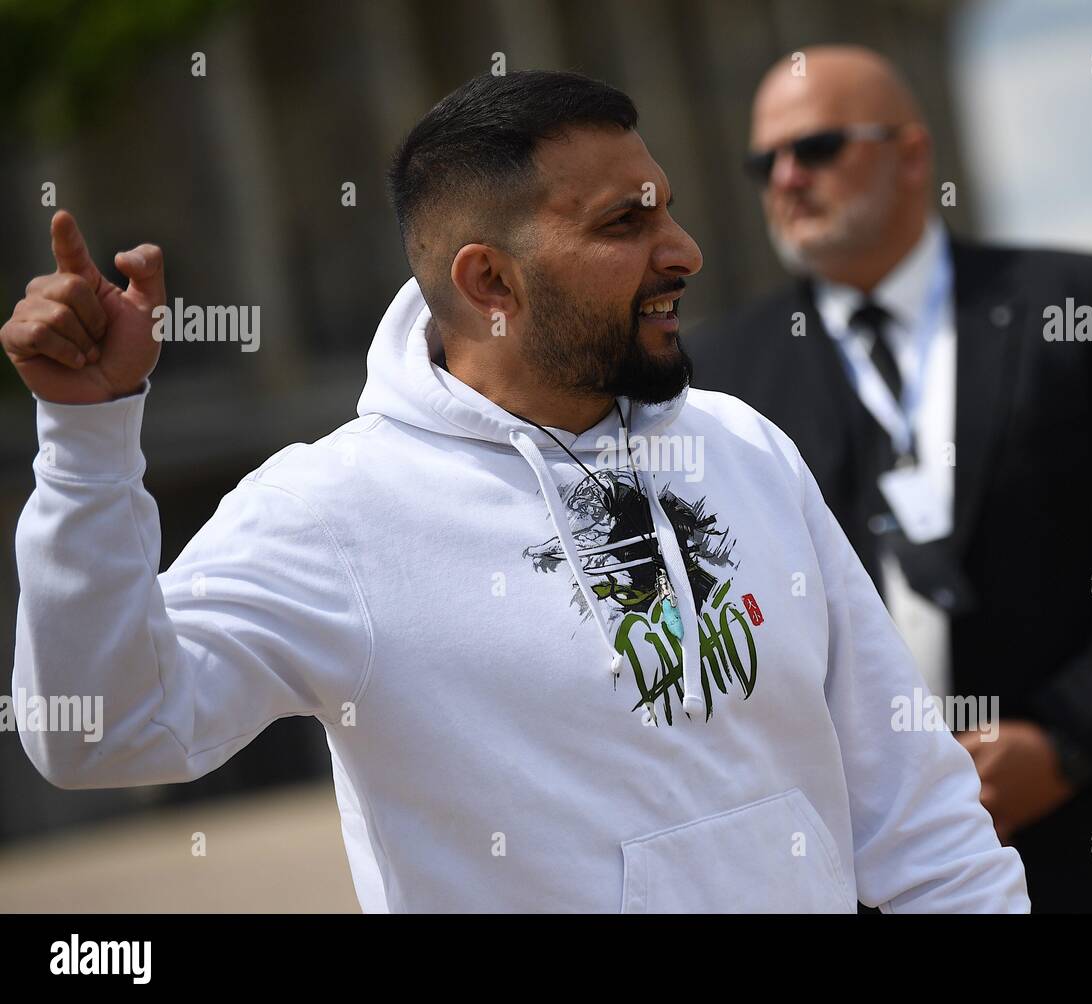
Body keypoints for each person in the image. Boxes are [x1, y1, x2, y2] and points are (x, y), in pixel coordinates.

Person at [5, 70, 1028, 913]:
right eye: (626, 223)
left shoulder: (744, 445)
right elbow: (100, 732)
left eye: (665, 206)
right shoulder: (333, 510)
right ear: (491, 282)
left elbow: (916, 807)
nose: (684, 251)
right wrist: (89, 445)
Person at [689, 46, 1092, 913]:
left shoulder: (1078, 298)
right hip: (866, 867)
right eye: (767, 160)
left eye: (821, 146)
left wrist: (1065, 742)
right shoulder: (719, 372)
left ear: (913, 155)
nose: (788, 177)